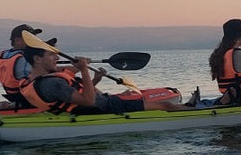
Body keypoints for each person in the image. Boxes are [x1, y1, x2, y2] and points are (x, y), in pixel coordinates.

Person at [19, 47, 187, 114]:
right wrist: (84, 69)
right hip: (104, 106)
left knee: (130, 95)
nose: (56, 58)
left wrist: (95, 79)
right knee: (166, 106)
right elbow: (88, 100)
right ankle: (200, 113)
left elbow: (78, 97)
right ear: (37, 59)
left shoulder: (31, 81)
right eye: (51, 55)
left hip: (98, 104)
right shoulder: (52, 83)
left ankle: (192, 107)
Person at [0, 23, 47, 107]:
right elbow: (44, 75)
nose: (34, 40)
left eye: (34, 37)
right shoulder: (24, 58)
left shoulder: (1, 55)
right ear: (17, 40)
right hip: (28, 98)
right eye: (29, 38)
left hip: (13, 96)